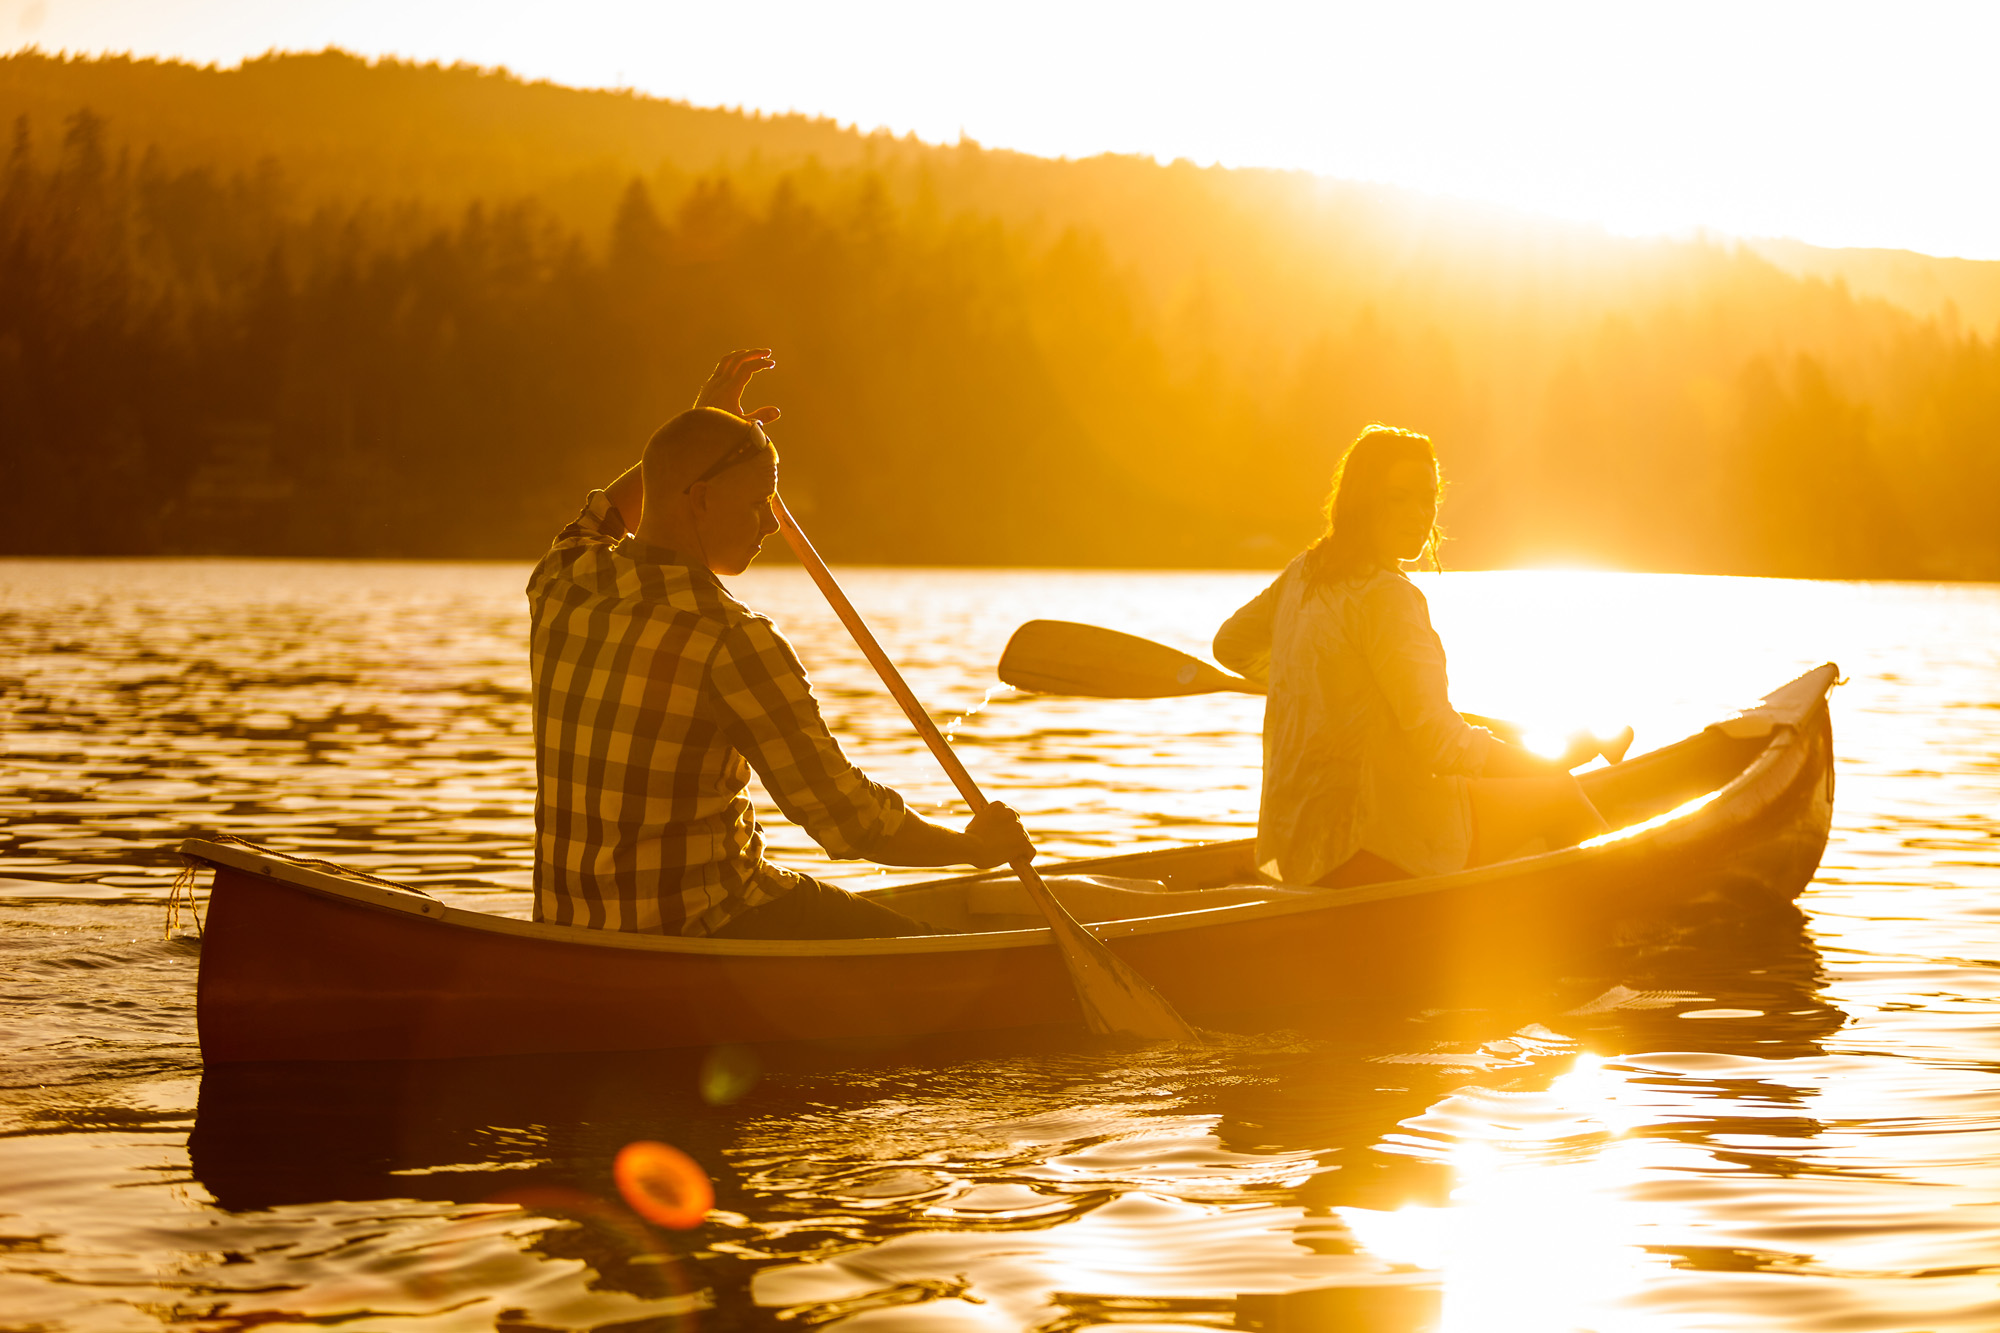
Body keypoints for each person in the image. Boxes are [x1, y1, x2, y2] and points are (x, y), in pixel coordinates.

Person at [527, 348, 1033, 939]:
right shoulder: (734, 641)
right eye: (760, 501)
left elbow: (613, 507)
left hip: (571, 927)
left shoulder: (563, 577)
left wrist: (703, 422)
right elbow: (847, 819)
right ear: (703, 500)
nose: (772, 524)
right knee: (926, 948)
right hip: (703, 925)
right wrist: (973, 848)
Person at [1213, 424, 1610, 889]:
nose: (1419, 514)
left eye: (1428, 498)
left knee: (1489, 790)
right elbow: (1442, 744)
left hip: (1291, 850)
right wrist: (1555, 762)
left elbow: (1231, 645)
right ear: (1363, 502)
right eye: (1397, 498)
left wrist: (1326, 687)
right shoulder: (1389, 597)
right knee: (1557, 793)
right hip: (1371, 850)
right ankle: (1634, 920)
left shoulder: (1306, 572)